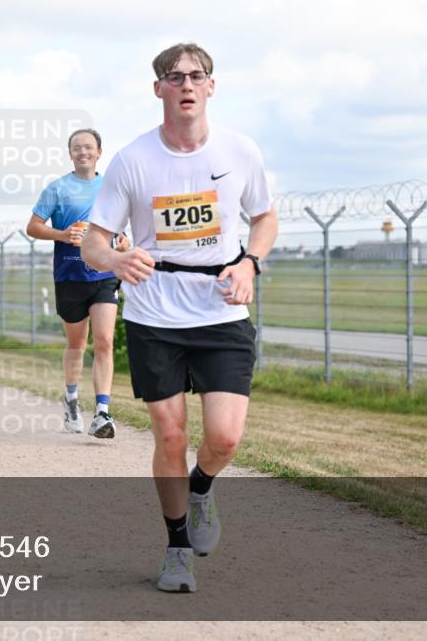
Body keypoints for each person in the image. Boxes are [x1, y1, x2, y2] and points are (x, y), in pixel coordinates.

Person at [82, 43, 279, 593]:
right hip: (155, 314)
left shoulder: (241, 151)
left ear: (212, 86)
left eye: (197, 76)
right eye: (175, 77)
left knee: (225, 438)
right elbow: (92, 243)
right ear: (159, 89)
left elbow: (264, 217)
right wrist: (118, 259)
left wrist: (250, 262)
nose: (186, 84)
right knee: (169, 435)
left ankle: (201, 488)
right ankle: (175, 548)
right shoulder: (132, 160)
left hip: (221, 309)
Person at [26, 128, 130, 439]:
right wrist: (61, 234)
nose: (82, 152)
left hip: (103, 273)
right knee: (77, 344)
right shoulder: (57, 189)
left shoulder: (111, 187)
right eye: (76, 148)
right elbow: (33, 226)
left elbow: (120, 228)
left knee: (104, 341)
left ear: (99, 152)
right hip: (69, 276)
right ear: (70, 154)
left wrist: (123, 242)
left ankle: (102, 412)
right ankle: (71, 399)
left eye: (88, 147)